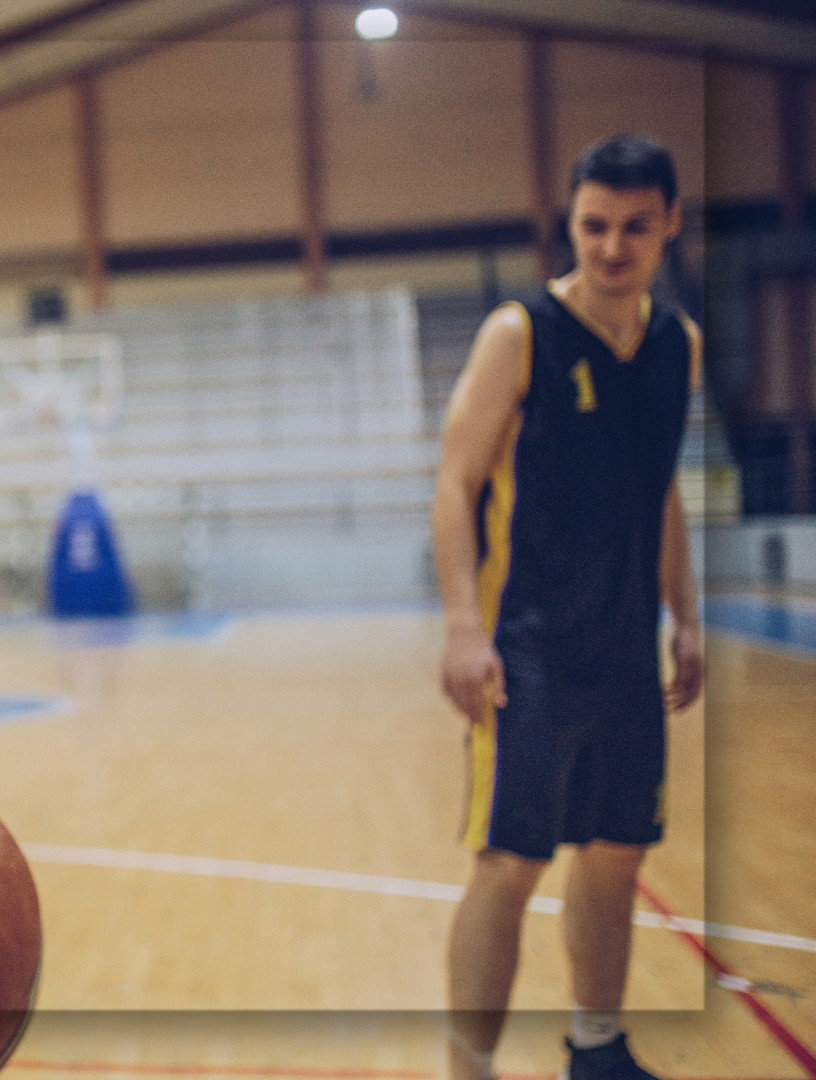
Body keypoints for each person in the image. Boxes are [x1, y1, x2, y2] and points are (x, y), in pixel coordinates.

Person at [431, 134, 703, 1080]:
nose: (611, 246)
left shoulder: (679, 347)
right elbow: (454, 482)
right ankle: (469, 1068)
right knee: (511, 865)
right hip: (527, 650)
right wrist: (464, 627)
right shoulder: (521, 334)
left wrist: (687, 616)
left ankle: (596, 1048)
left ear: (670, 223)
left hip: (626, 648)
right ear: (571, 223)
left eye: (634, 226)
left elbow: (660, 489)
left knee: (618, 853)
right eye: (593, 225)